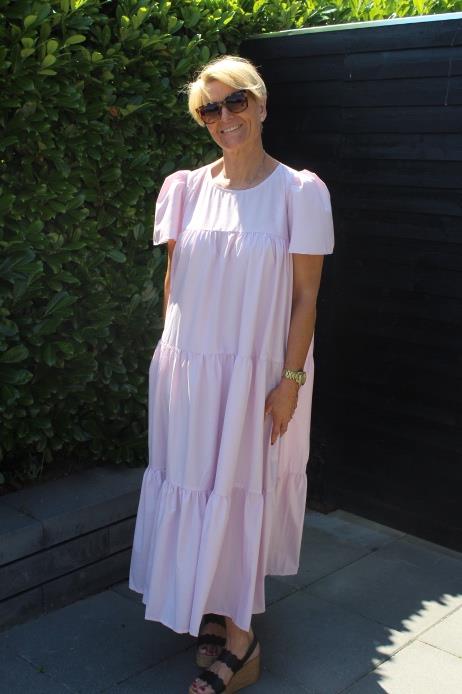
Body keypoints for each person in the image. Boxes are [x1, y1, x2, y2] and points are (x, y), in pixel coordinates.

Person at [129, 54, 335, 693]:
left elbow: (306, 297)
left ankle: (243, 643)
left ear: (262, 104)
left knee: (244, 490)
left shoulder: (299, 192)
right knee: (196, 483)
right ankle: (213, 610)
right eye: (209, 109)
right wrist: (171, 356)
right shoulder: (184, 188)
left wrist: (290, 383)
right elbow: (175, 279)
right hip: (189, 373)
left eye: (235, 101)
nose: (224, 117)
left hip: (258, 377)